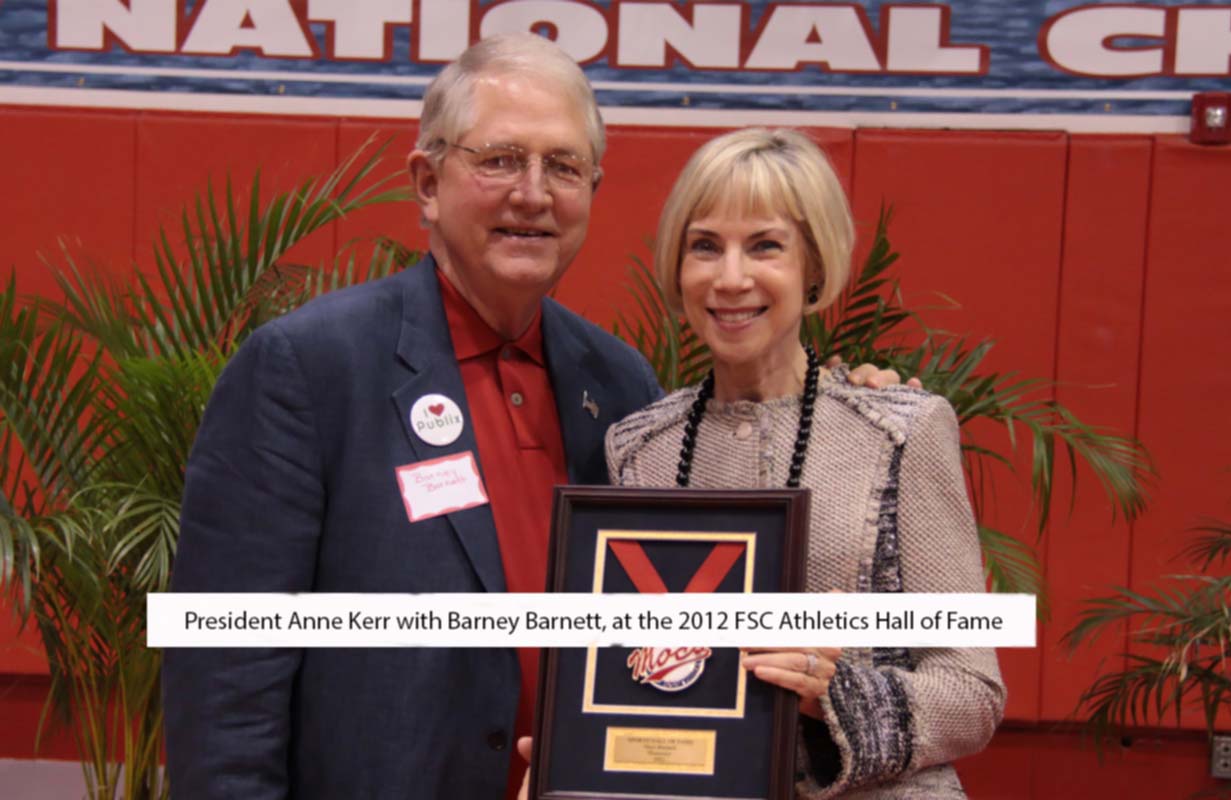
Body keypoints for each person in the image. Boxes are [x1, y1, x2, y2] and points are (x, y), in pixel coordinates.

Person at [162, 35, 904, 800]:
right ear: (426, 181)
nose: (533, 193)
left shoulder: (619, 385)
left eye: (563, 166)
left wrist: (848, 399)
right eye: (500, 159)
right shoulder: (311, 368)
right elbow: (226, 676)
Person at [605, 128, 1006, 798]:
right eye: (705, 246)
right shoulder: (637, 449)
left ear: (813, 266)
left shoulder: (900, 432)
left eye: (765, 246)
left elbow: (972, 691)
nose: (731, 278)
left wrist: (835, 696)